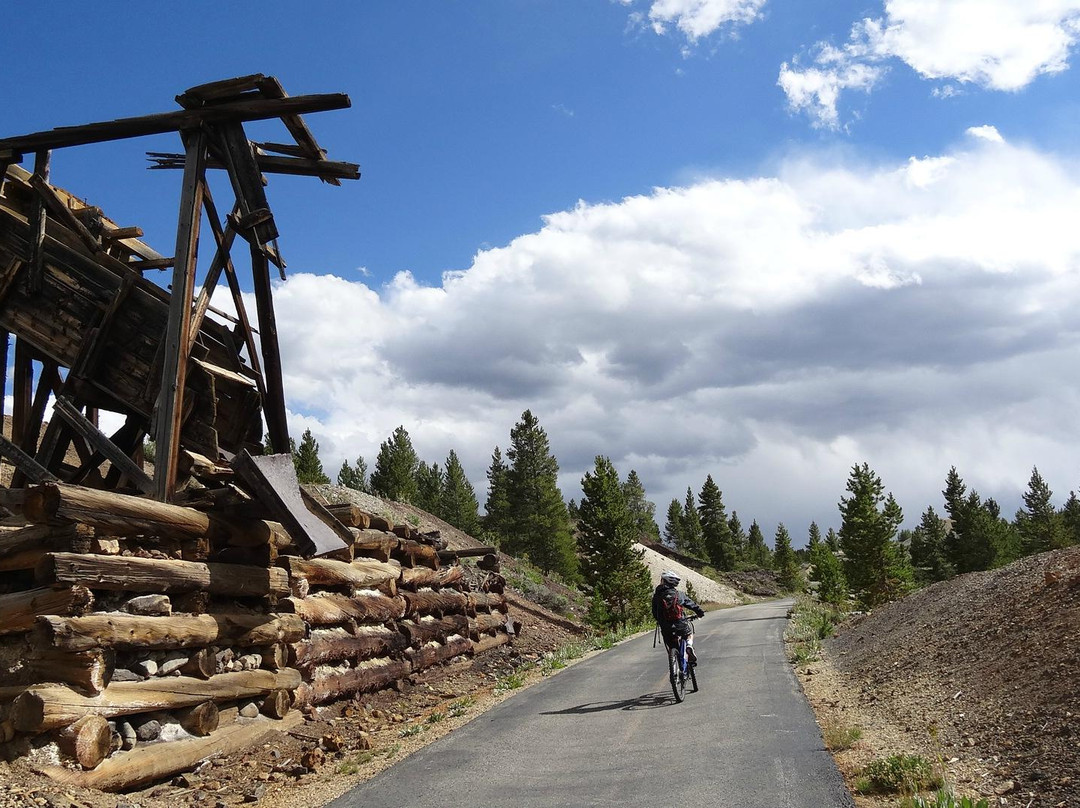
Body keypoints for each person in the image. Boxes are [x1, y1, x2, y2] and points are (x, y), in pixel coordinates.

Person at [652, 570, 705, 664]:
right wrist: (700, 612)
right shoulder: (679, 594)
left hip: (666, 626)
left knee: (671, 645)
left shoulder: (657, 596)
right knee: (688, 634)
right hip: (680, 623)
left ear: (663, 581)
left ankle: (674, 662)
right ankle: (689, 646)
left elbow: (655, 612)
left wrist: (660, 621)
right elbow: (691, 604)